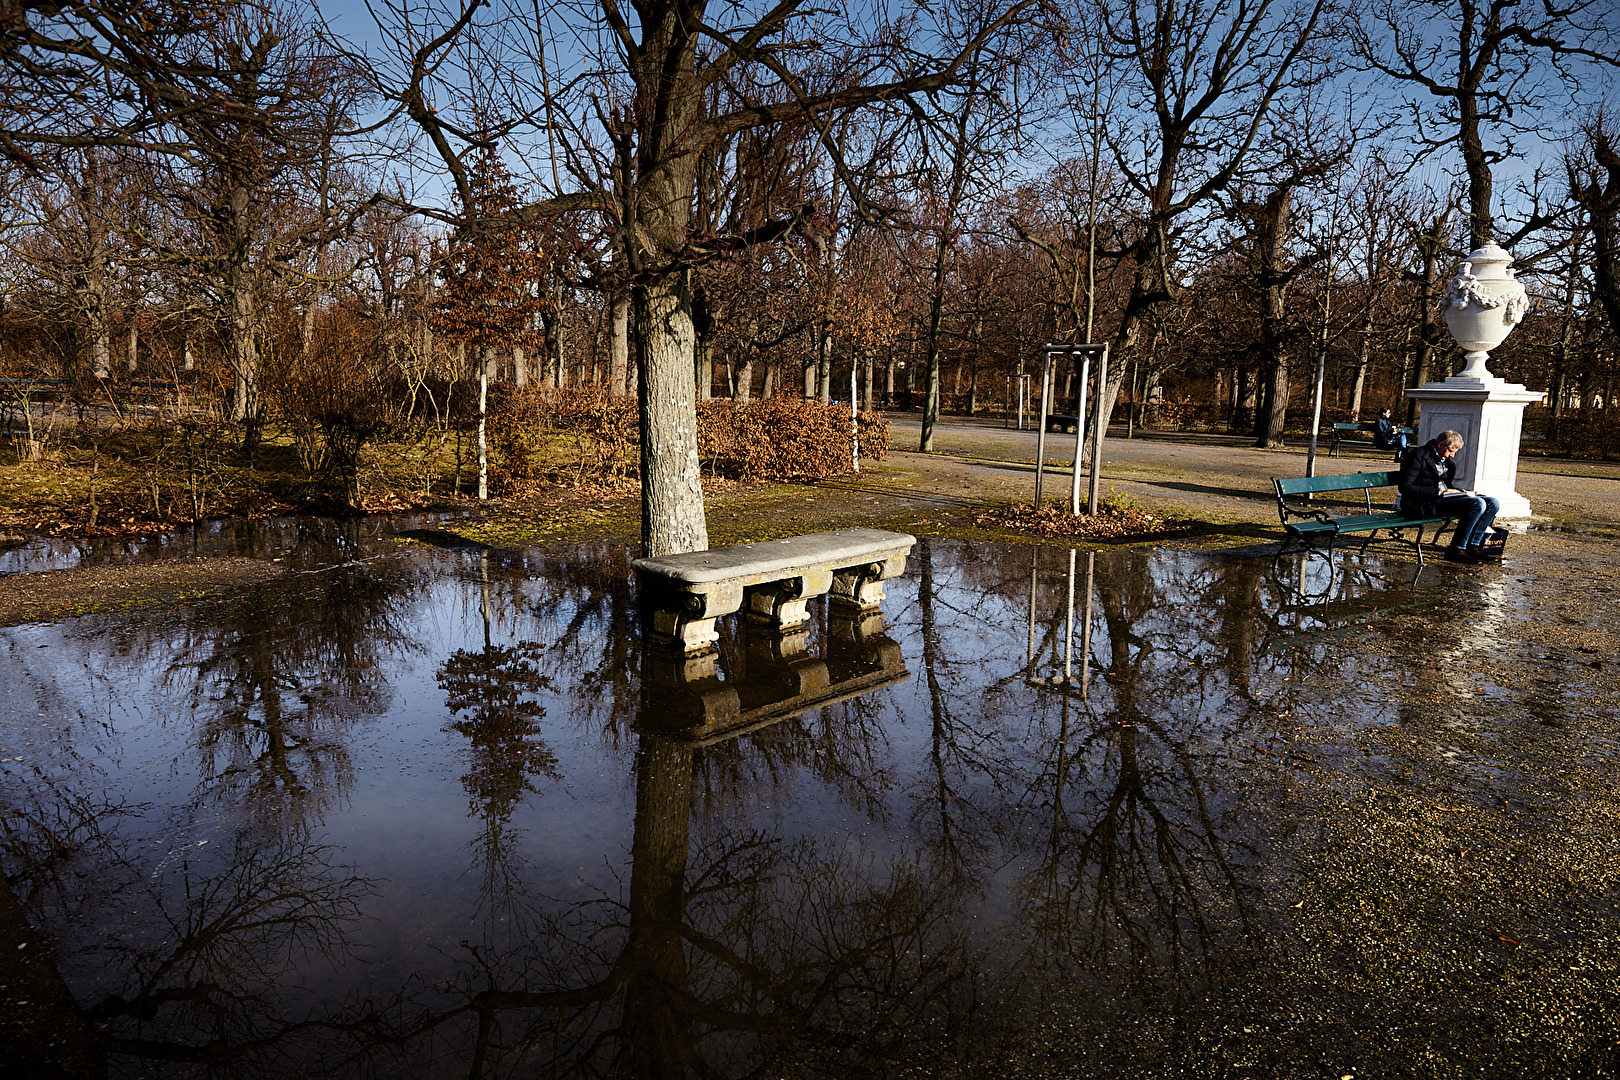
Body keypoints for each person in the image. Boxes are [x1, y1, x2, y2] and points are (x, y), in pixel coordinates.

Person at [1396, 429, 1501, 564]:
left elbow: (1445, 485)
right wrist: (1438, 493)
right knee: (1477, 504)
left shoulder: (1447, 462)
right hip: (1422, 503)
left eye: (1455, 452)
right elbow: (1406, 487)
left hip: (1443, 499)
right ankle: (1456, 549)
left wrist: (1458, 492)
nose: (1452, 455)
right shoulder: (1417, 456)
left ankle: (1473, 546)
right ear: (1440, 445)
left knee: (1493, 502)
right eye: (1451, 451)